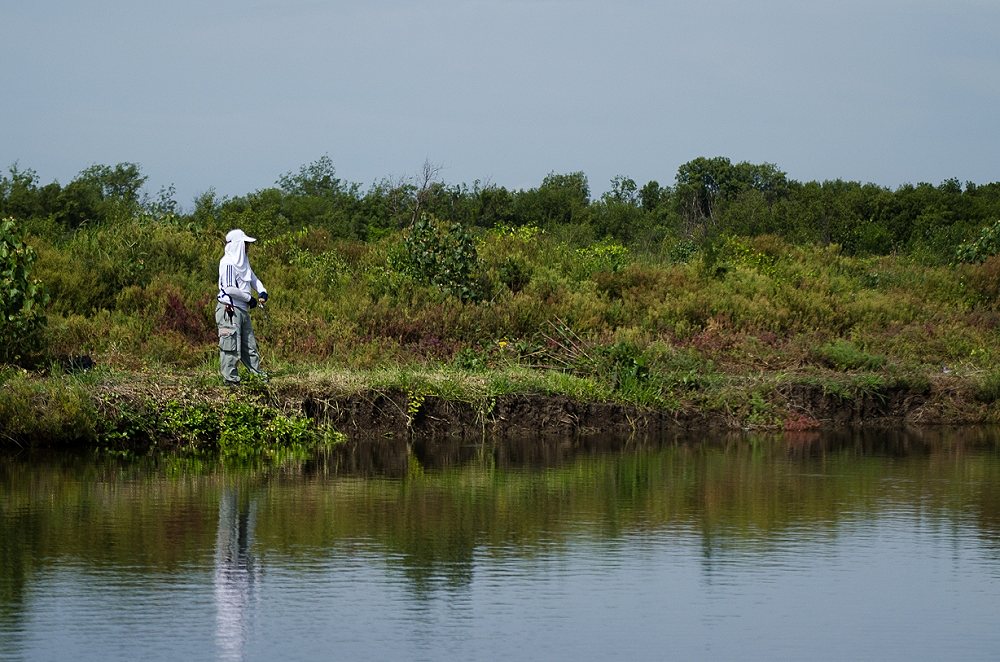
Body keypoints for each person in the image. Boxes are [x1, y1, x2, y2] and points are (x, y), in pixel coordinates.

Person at [216, 229, 269, 386]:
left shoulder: (243, 263)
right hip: (230, 309)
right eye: (245, 244)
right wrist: (249, 299)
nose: (248, 247)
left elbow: (253, 279)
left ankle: (258, 377)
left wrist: (262, 291)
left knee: (249, 346)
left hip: (243, 310)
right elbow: (230, 288)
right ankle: (230, 380)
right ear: (238, 245)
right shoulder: (228, 263)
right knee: (230, 346)